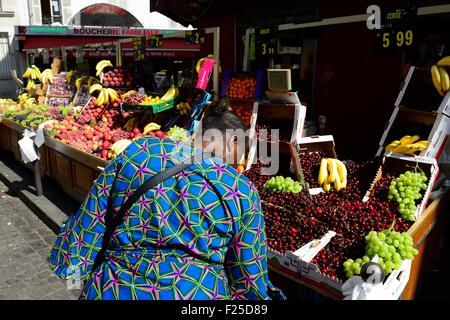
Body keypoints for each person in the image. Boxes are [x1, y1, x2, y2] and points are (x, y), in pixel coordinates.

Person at [48, 105, 285, 300]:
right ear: (234, 141)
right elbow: (248, 276)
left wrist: (77, 283)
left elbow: (88, 227)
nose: (236, 163)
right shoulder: (240, 189)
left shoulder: (140, 153)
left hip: (114, 288)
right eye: (240, 153)